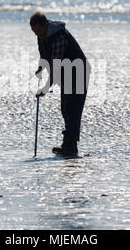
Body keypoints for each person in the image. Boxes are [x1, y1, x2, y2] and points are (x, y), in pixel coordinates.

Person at [30, 12, 90, 157]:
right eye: (34, 32)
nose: (37, 35)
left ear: (45, 25)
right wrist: (41, 67)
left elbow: (56, 67)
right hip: (65, 73)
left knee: (73, 110)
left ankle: (71, 147)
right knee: (65, 109)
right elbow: (44, 55)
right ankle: (68, 145)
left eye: (38, 31)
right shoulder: (42, 35)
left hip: (78, 72)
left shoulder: (59, 37)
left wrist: (45, 89)